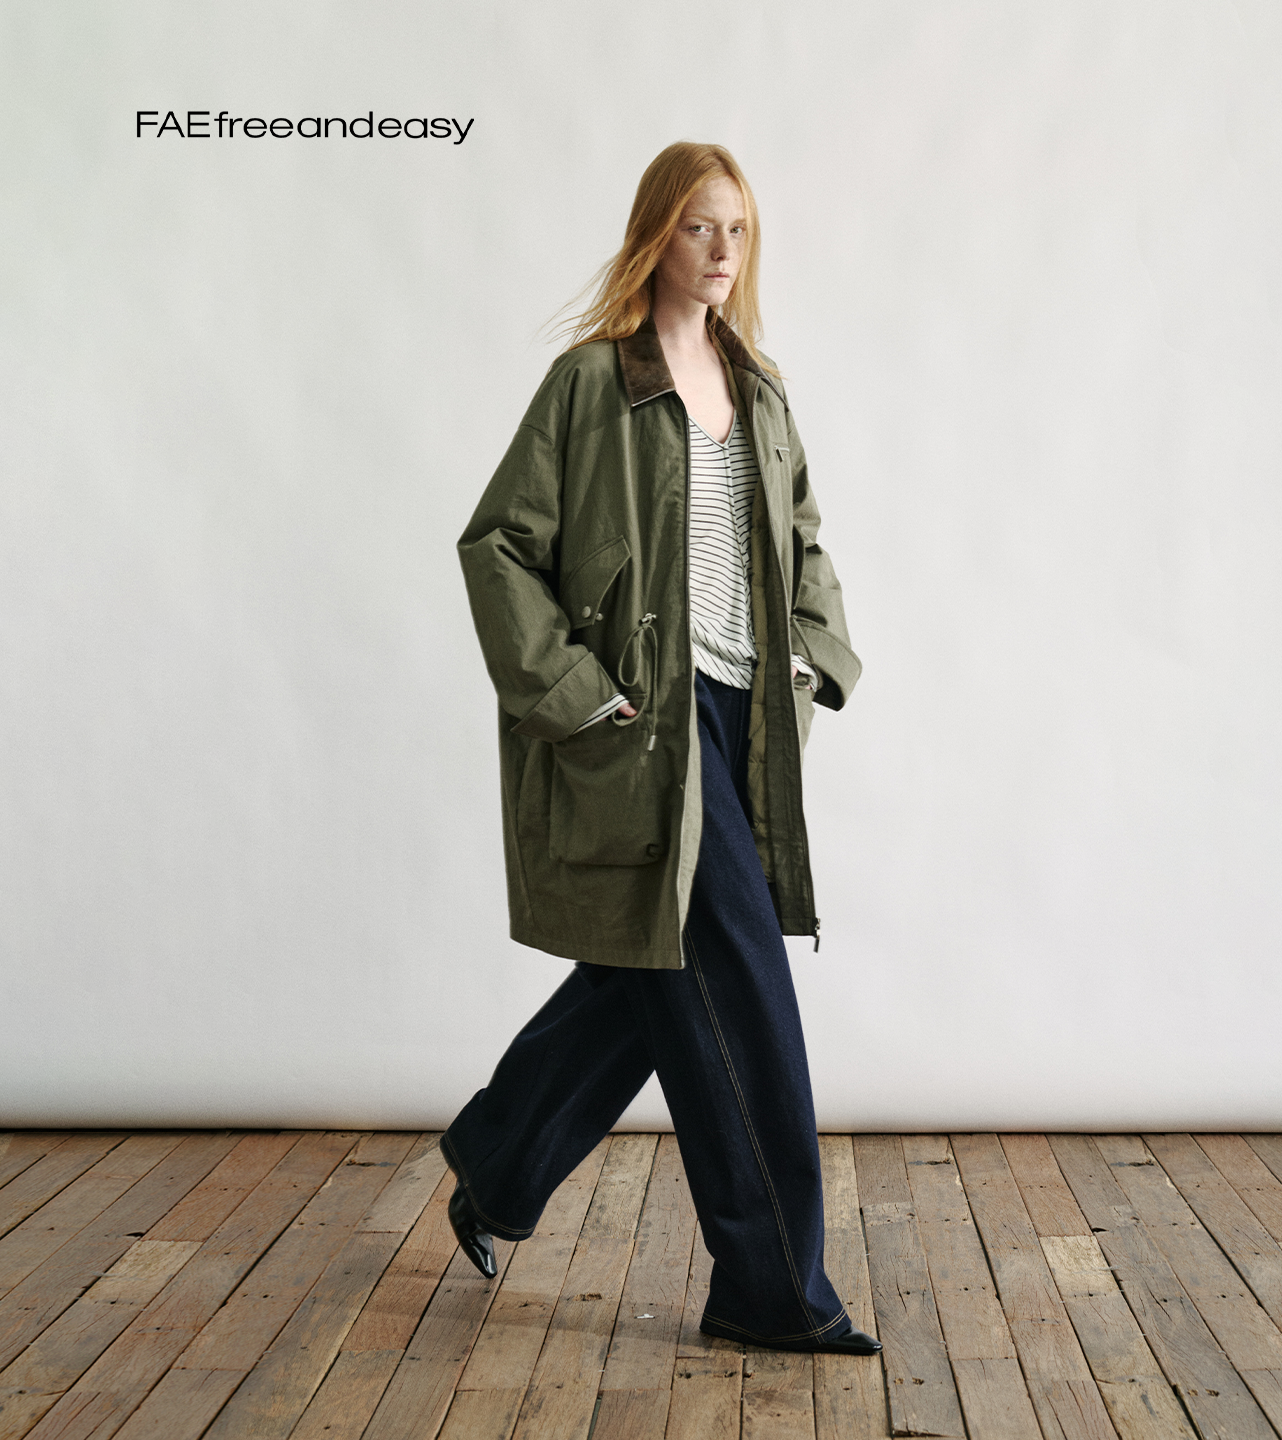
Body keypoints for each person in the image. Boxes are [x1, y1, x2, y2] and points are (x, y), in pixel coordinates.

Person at [441, 141, 875, 1355]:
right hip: (645, 730)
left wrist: (812, 657)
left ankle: (498, 1158)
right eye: (698, 226)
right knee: (741, 987)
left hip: (746, 724)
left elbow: (803, 543)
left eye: (738, 228)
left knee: (651, 970)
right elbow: (497, 547)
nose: (723, 250)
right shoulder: (592, 385)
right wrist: (580, 697)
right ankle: (771, 1291)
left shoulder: (760, 389)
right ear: (655, 235)